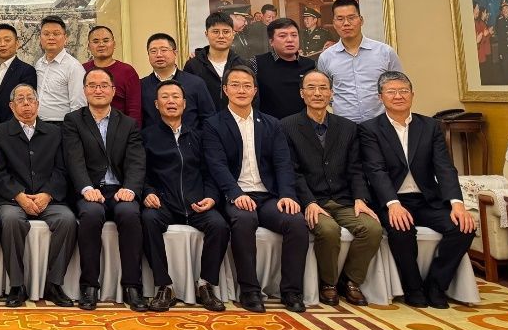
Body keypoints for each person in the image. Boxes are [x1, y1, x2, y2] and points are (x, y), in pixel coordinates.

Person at [359, 71, 476, 309]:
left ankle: (436, 285)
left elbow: (444, 167)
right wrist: (393, 204)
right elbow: (375, 170)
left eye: (403, 91)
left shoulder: (430, 126)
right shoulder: (370, 129)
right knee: (400, 230)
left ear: (412, 94)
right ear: (380, 97)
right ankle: (413, 288)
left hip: (427, 200)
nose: (398, 96)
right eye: (391, 92)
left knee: (463, 228)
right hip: (392, 201)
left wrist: (457, 203)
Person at [202, 65, 308, 313]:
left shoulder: (271, 123)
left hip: (268, 195)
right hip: (236, 195)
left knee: (296, 222)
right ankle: (249, 290)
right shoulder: (213, 124)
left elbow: (283, 163)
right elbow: (216, 165)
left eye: (247, 85)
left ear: (255, 90)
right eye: (235, 85)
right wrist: (236, 194)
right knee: (244, 220)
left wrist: (287, 195)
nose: (241, 90)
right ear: (225, 90)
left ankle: (291, 291)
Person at [280, 69, 380, 307]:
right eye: (311, 88)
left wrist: (360, 198)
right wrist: (309, 202)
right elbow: (292, 171)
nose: (317, 93)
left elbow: (356, 168)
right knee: (328, 230)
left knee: (372, 228)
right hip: (313, 200)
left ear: (331, 93)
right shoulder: (286, 126)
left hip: (344, 199)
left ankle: (351, 281)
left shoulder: (348, 127)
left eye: (323, 88)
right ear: (302, 94)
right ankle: (328, 283)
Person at [140, 80, 229, 312]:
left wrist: (211, 197)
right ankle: (164, 286)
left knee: (219, 225)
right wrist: (148, 192)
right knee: (148, 220)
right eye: (165, 97)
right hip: (164, 203)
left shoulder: (200, 135)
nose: (171, 101)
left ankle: (205, 285)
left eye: (176, 97)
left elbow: (211, 172)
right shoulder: (146, 136)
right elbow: (140, 172)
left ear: (185, 103)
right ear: (156, 104)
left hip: (196, 203)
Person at [63, 68, 147, 311]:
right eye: (92, 85)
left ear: (113, 91)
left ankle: (132, 286)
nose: (98, 90)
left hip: (120, 190)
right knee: (91, 215)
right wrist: (86, 188)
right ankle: (89, 286)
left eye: (103, 85)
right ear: (85, 90)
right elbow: (74, 159)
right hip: (90, 190)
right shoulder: (73, 120)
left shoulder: (128, 123)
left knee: (130, 214)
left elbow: (136, 161)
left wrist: (130, 188)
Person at [0, 84, 76, 308]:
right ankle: (17, 285)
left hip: (48, 198)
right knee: (11, 220)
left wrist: (47, 194)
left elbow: (62, 170)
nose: (26, 104)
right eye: (20, 100)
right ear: (11, 106)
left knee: (67, 220)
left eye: (31, 99)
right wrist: (19, 196)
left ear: (38, 104)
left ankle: (54, 284)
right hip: (12, 199)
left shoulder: (54, 132)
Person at [317, 0, 403, 122]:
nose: (346, 23)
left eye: (351, 18)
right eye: (340, 19)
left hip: (381, 124)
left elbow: (399, 87)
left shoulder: (385, 52)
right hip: (344, 125)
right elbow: (325, 92)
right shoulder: (326, 57)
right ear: (334, 23)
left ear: (361, 20)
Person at [139, 33, 215, 131]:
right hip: (153, 140)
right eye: (153, 51)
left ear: (175, 53)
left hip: (191, 139)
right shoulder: (141, 85)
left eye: (164, 50)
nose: (159, 55)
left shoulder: (196, 83)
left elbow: (209, 118)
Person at [184, 12, 250, 112]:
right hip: (203, 121)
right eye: (215, 32)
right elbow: (187, 100)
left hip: (236, 120)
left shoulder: (243, 65)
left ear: (233, 34)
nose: (221, 36)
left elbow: (252, 99)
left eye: (226, 32)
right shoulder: (193, 65)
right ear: (206, 34)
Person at [254, 17, 316, 120]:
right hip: (270, 126)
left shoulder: (311, 65)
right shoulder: (257, 63)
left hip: (304, 125)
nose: (290, 40)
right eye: (282, 36)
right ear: (271, 41)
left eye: (294, 35)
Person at [83, 25, 141, 126]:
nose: (101, 45)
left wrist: (132, 132)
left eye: (106, 41)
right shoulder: (81, 70)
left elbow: (134, 109)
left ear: (114, 44)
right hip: (87, 128)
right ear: (88, 46)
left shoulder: (127, 71)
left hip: (120, 128)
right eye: (96, 41)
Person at [34, 16, 86, 122]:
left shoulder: (73, 66)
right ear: (40, 38)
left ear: (65, 38)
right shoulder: (39, 63)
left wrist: (72, 128)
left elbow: (79, 105)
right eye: (46, 34)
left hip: (61, 124)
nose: (51, 37)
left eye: (56, 34)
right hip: (37, 123)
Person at [0, 23, 38, 126]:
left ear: (17, 44)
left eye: (7, 40)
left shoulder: (27, 71)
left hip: (13, 128)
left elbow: (25, 102)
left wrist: (5, 127)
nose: (2, 44)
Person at [474, 4, 492, 84]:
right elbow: (482, 40)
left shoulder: (481, 22)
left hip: (484, 51)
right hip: (482, 52)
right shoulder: (480, 23)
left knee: (486, 73)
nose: (487, 14)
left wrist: (489, 33)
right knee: (484, 75)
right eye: (485, 13)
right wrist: (487, 34)